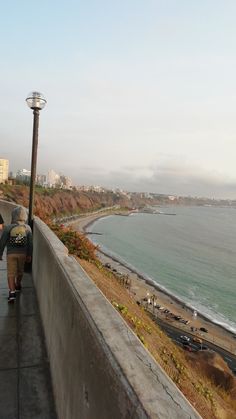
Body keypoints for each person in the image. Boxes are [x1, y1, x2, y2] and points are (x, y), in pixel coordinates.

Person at [0, 206, 33, 303]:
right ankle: (18, 284)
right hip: (22, 254)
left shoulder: (9, 228)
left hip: (11, 254)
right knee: (20, 271)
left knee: (11, 273)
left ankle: (12, 293)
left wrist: (0, 253)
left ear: (13, 216)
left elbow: (2, 242)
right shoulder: (27, 228)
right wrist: (29, 255)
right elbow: (30, 244)